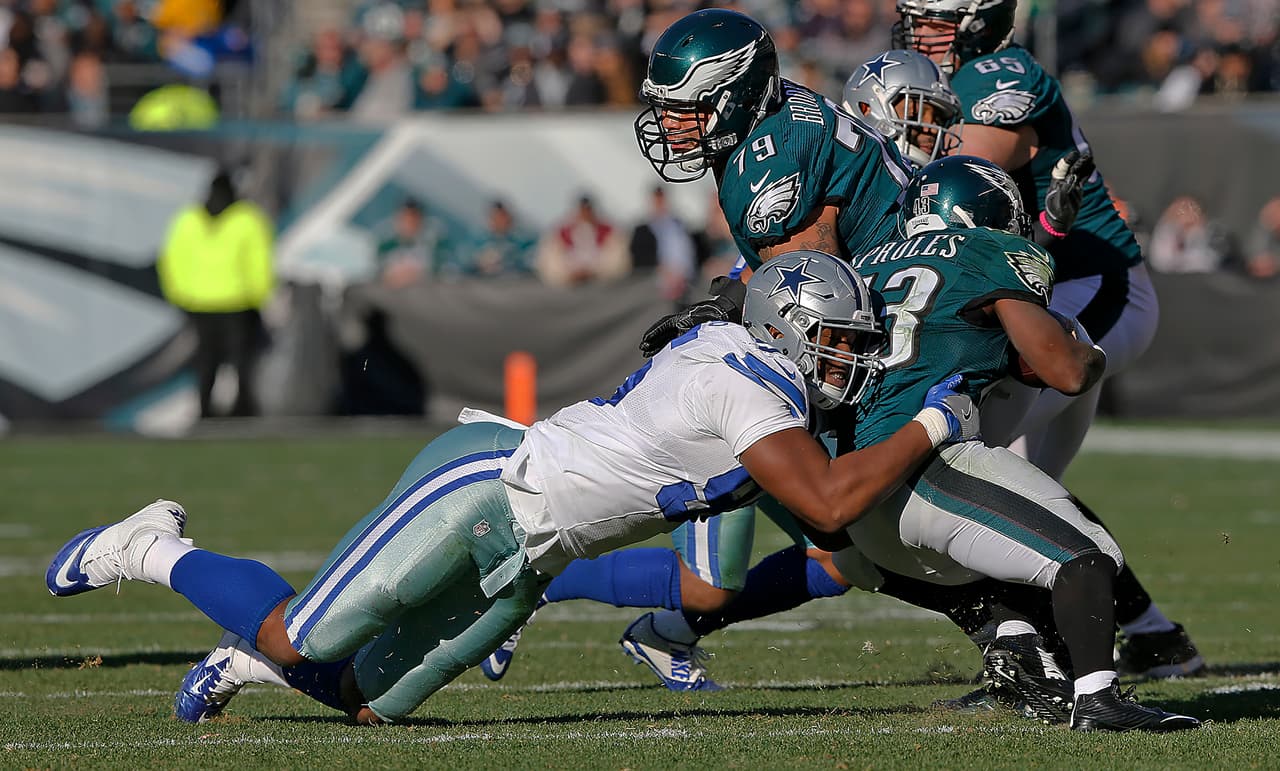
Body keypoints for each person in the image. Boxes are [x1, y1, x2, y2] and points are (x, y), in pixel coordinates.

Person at [45, 258, 981, 726]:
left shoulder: (756, 372)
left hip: (535, 559)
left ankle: (247, 661)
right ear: (784, 327)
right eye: (840, 342)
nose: (848, 361)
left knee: (366, 703)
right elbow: (824, 507)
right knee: (301, 632)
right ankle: (148, 546)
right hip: (490, 486)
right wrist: (935, 422)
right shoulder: (748, 381)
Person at [893, 0, 1203, 678]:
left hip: (1088, 287)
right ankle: (1148, 634)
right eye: (915, 18)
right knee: (1018, 485)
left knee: (969, 463)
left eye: (935, 20)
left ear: (979, 21)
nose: (921, 33)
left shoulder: (999, 73)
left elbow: (960, 185)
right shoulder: (954, 82)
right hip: (1038, 289)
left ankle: (1028, 654)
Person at [834, 155, 1198, 732]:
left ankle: (1033, 674)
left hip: (855, 499)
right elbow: (1064, 372)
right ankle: (1099, 699)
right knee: (1086, 556)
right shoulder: (989, 252)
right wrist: (1088, 353)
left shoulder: (867, 264)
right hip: (926, 466)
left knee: (1016, 555)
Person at [157, 168, 274, 418]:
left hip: (199, 303)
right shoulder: (247, 218)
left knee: (207, 360)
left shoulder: (187, 219)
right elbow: (259, 262)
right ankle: (242, 410)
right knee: (241, 361)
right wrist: (260, 296)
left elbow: (172, 260)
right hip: (238, 301)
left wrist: (180, 295)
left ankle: (205, 410)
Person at [534, 194, 631, 288]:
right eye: (582, 210)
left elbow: (617, 260)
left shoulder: (609, 232)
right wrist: (568, 273)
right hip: (569, 286)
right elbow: (550, 261)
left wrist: (594, 271)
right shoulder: (560, 233)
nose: (585, 214)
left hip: (602, 285)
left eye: (588, 210)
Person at [629, 186, 698, 310]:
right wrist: (662, 270)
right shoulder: (642, 230)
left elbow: (688, 253)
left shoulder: (678, 224)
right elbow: (638, 257)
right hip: (656, 287)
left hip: (684, 284)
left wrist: (682, 274)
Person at [375, 197, 449, 289]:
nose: (409, 222)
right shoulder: (385, 245)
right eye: (405, 218)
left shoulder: (433, 248)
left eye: (413, 218)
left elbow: (440, 274)